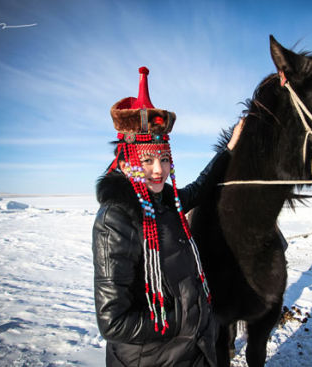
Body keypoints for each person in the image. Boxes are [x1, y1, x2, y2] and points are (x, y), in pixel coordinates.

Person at [92, 66, 242, 367]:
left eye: (163, 158)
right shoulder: (115, 220)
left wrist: (228, 150)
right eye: (147, 160)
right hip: (152, 357)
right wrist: (182, 322)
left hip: (188, 349)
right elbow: (113, 322)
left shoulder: (165, 202)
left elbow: (199, 188)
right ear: (124, 164)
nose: (158, 170)